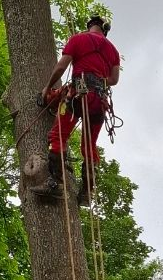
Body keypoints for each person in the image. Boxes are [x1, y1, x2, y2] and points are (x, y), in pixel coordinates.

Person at [33, 15, 121, 206]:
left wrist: (47, 88)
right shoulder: (113, 50)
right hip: (99, 101)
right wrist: (98, 80)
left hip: (76, 97)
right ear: (104, 29)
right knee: (88, 147)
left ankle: (55, 184)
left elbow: (61, 67)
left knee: (57, 136)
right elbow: (114, 80)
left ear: (90, 26)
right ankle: (87, 193)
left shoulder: (78, 39)